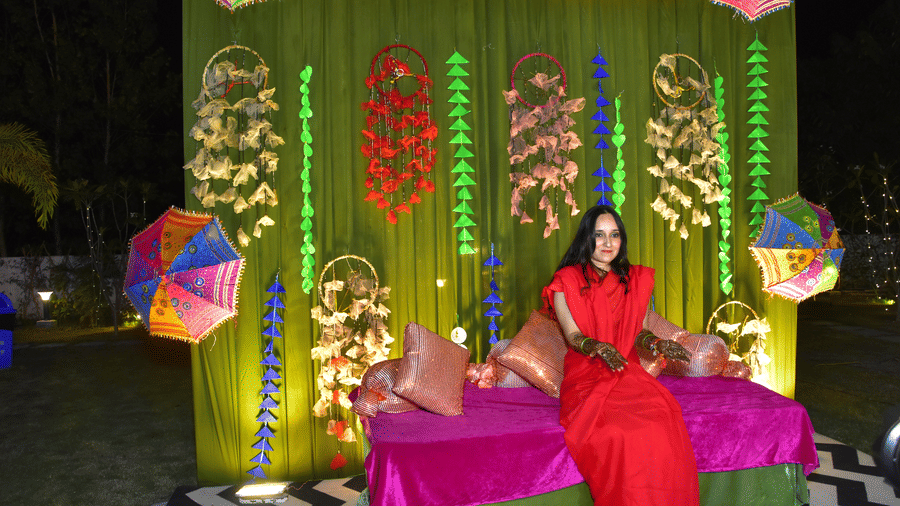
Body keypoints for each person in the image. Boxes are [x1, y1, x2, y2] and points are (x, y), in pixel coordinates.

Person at [540, 205, 700, 506]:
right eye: (599, 235)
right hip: (587, 376)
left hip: (627, 372)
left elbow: (638, 332)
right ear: (586, 239)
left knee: (664, 416)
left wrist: (658, 343)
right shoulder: (567, 280)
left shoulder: (633, 280)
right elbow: (573, 336)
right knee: (619, 432)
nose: (608, 243)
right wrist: (598, 347)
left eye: (614, 235)